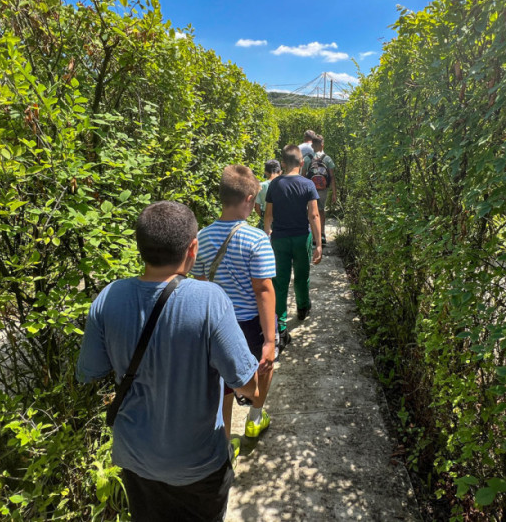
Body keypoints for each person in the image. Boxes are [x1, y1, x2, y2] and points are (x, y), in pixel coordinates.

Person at [77, 201, 260, 522]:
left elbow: (90, 371)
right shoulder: (210, 300)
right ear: (192, 248)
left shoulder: (108, 297)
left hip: (136, 459)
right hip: (199, 464)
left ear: (141, 249)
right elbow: (246, 383)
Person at [194, 165, 277, 459]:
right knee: (263, 367)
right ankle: (255, 420)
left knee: (223, 384)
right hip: (251, 323)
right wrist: (270, 340)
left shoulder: (201, 238)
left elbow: (202, 285)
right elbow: (263, 290)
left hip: (218, 325)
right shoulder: (257, 239)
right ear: (249, 197)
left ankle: (226, 444)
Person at [264, 145, 322, 349]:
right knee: (302, 275)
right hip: (301, 238)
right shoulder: (307, 185)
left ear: (283, 163)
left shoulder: (274, 185)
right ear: (301, 162)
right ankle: (303, 308)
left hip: (279, 239)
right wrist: (318, 243)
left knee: (279, 281)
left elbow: (268, 216)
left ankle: (280, 324)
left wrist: (267, 236)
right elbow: (314, 215)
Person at [302, 135, 337, 247]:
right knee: (321, 211)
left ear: (312, 145)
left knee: (311, 212)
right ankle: (322, 235)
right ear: (323, 144)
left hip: (309, 189)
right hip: (323, 189)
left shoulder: (307, 159)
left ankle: (313, 236)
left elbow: (302, 176)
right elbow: (331, 177)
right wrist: (334, 193)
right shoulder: (327, 159)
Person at [253, 160, 281, 228]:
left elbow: (257, 208)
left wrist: (263, 216)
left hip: (265, 220)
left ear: (266, 172)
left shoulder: (261, 186)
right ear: (280, 171)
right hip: (281, 221)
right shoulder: (285, 184)